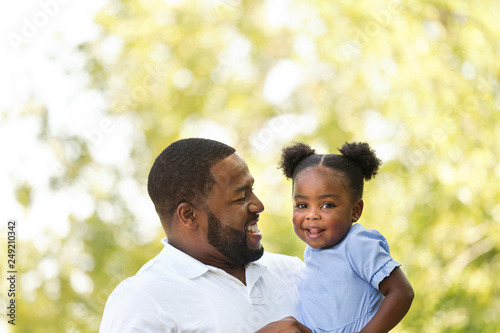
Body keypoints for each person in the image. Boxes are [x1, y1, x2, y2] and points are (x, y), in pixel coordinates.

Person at [100, 138, 311, 333]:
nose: (258, 205)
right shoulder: (141, 299)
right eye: (240, 198)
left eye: (252, 190)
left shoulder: (293, 272)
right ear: (189, 215)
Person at [278, 141, 414, 333]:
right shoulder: (312, 251)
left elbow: (401, 292)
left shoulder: (357, 243)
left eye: (327, 205)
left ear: (355, 210)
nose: (312, 215)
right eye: (302, 205)